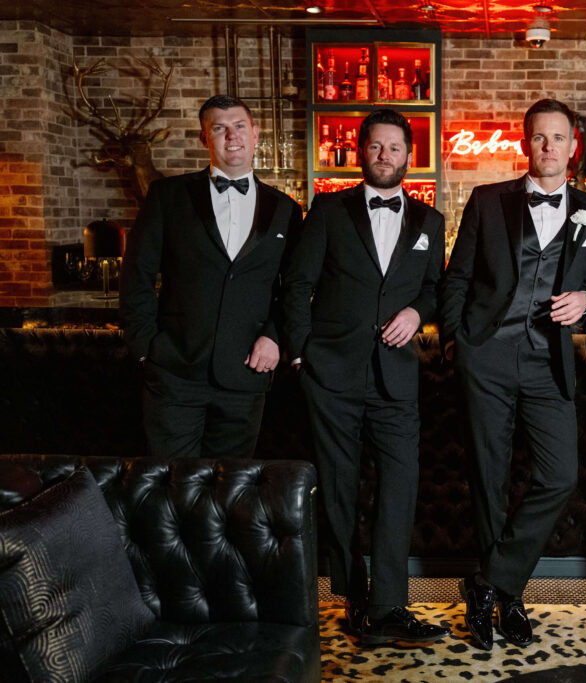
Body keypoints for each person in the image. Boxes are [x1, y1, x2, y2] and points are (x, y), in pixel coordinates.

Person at [440, 98, 586, 650]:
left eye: (558, 138)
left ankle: (490, 582)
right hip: (487, 355)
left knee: (560, 475)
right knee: (488, 481)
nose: (548, 147)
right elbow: (458, 275)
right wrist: (455, 343)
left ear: (572, 147)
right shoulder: (489, 200)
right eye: (539, 137)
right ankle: (507, 602)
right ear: (524, 143)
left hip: (547, 361)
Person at [281, 109, 449, 646]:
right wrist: (303, 355)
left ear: (408, 155)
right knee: (339, 490)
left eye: (394, 148)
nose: (384, 156)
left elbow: (434, 289)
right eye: (375, 147)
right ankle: (354, 599)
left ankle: (390, 607)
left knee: (399, 488)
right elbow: (297, 283)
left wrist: (416, 313)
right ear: (361, 152)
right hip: (331, 374)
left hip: (396, 378)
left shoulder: (430, 221)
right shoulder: (329, 210)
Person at [120, 94, 301, 459]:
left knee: (228, 491)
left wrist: (274, 336)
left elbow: (295, 287)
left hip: (246, 372)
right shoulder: (167, 195)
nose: (231, 136)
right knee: (171, 486)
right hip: (174, 372)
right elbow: (136, 273)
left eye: (238, 126)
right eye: (219, 128)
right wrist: (147, 349)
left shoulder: (286, 209)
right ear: (205, 139)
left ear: (255, 132)